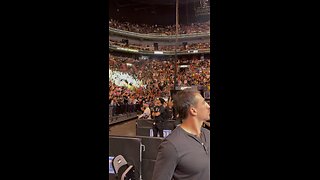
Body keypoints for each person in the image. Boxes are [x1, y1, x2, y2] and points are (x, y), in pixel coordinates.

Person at [152, 89, 210, 180]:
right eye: (203, 103)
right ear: (193, 110)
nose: (208, 106)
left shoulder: (208, 134)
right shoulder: (170, 146)